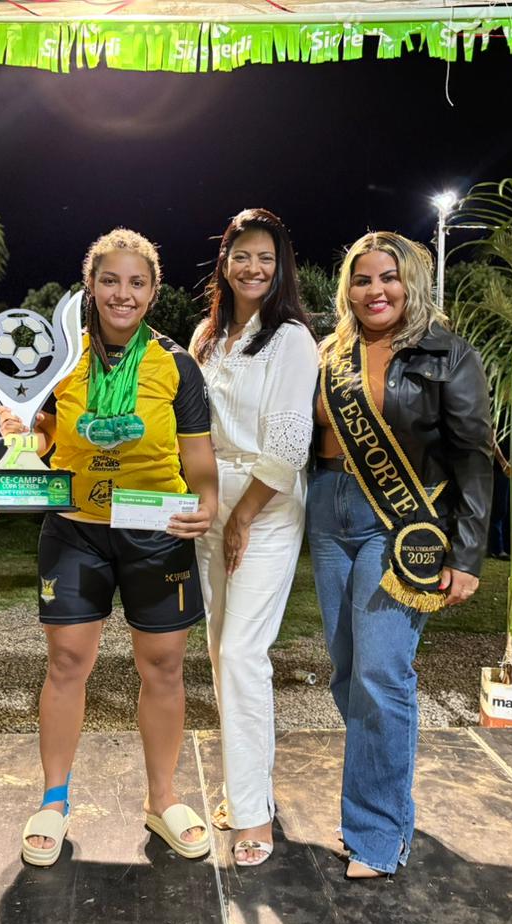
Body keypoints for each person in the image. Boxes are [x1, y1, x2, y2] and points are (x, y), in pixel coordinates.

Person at [0, 228, 218, 868]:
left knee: (164, 667)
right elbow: (41, 439)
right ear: (91, 286)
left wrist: (206, 503)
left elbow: (198, 457)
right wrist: (22, 431)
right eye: (111, 280)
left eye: (137, 282)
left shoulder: (176, 364)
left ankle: (162, 799)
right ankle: (54, 800)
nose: (124, 293)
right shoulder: (57, 358)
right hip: (76, 528)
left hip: (157, 530)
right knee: (67, 661)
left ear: (153, 290)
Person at [307, 231, 492, 880]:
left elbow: (473, 456)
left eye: (389, 277)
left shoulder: (446, 353)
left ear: (411, 281)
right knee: (346, 670)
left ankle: (377, 835)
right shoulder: (330, 353)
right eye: (362, 279)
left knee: (382, 673)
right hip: (327, 511)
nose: (375, 290)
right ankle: (378, 804)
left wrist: (467, 553)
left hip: (400, 522)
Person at [189, 209, 318, 867]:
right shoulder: (208, 336)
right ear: (225, 262)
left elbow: (290, 444)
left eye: (266, 257)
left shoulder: (291, 338)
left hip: (264, 509)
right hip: (211, 503)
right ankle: (245, 790)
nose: (253, 268)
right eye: (242, 255)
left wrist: (242, 516)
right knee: (220, 652)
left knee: (242, 653)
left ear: (281, 266)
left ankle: (253, 814)